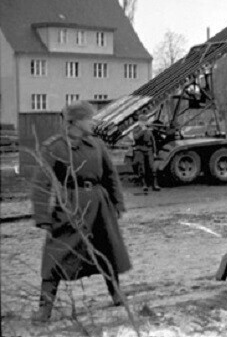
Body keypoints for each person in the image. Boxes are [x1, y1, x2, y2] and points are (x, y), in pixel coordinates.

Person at [30, 101, 131, 323]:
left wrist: (117, 204)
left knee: (107, 250)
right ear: (75, 122)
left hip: (99, 205)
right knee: (55, 255)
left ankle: (116, 294)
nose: (93, 123)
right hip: (70, 207)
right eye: (89, 119)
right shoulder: (54, 147)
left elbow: (111, 177)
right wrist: (42, 217)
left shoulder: (97, 145)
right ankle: (45, 308)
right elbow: (41, 183)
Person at [132, 114, 160, 192]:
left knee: (152, 167)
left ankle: (155, 184)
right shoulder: (136, 129)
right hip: (140, 149)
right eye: (142, 122)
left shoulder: (149, 130)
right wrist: (142, 130)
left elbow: (153, 141)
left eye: (145, 121)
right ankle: (144, 184)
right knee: (142, 167)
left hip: (149, 149)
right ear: (139, 122)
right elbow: (136, 137)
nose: (144, 123)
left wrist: (154, 152)